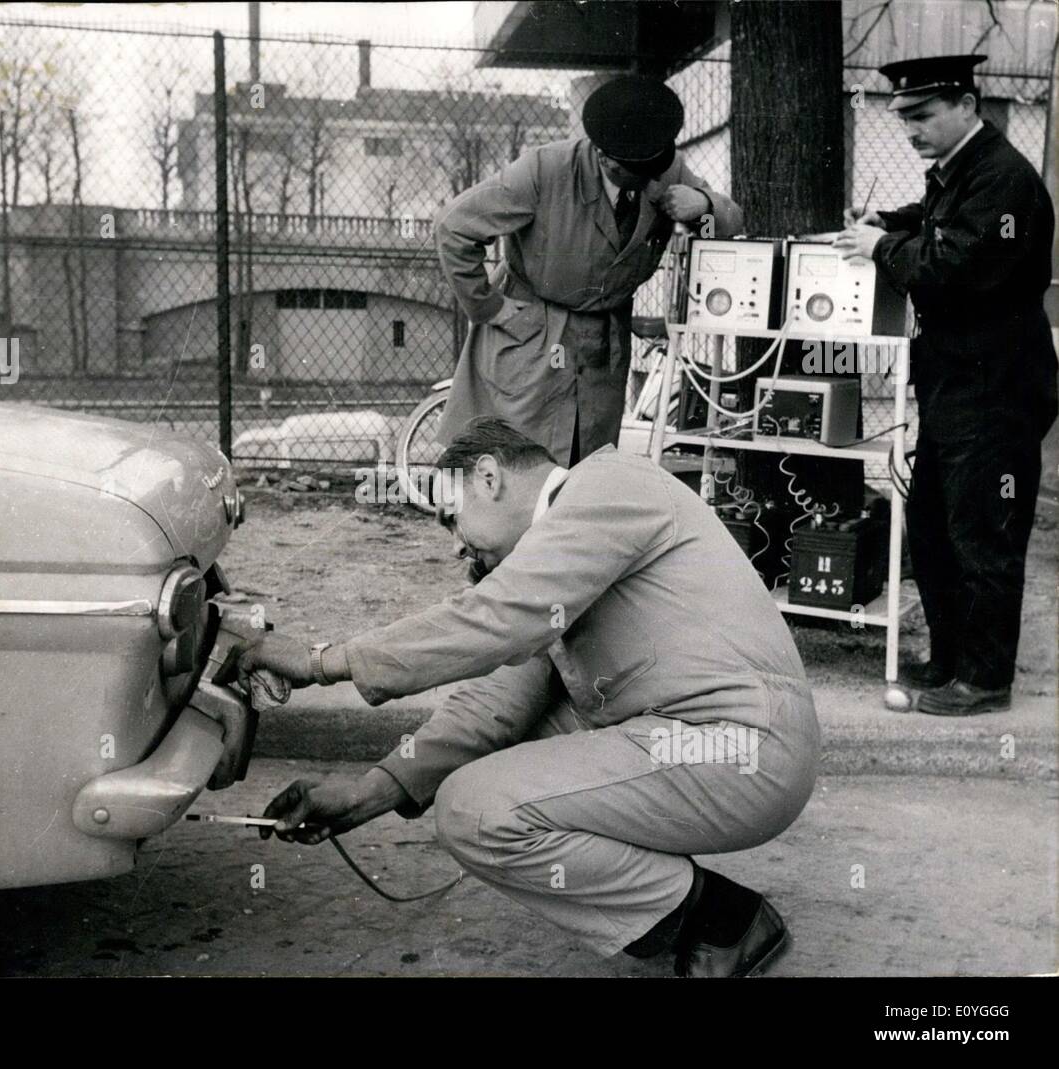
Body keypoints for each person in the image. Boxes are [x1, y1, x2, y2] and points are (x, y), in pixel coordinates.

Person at [238, 418, 820, 977]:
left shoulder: (609, 486)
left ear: (489, 478)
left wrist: (319, 662)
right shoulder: (559, 554)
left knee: (475, 806)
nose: (457, 546)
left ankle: (722, 917)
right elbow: (492, 706)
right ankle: (688, 909)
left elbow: (491, 620)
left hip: (747, 745)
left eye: (451, 518)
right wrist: (369, 793)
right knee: (489, 762)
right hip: (695, 736)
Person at [835, 55, 1057, 716]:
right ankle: (952, 658)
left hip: (995, 388)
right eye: (903, 117)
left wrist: (879, 248)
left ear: (966, 103)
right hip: (959, 382)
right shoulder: (964, 170)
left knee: (982, 530)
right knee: (930, 524)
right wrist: (884, 221)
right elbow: (930, 221)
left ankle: (986, 677)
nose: (910, 130)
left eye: (923, 115)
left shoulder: (1003, 180)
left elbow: (951, 267)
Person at [433, 75, 743, 466]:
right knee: (518, 464)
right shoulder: (545, 170)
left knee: (588, 466)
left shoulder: (663, 169)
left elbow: (731, 221)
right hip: (534, 337)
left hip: (603, 344)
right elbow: (454, 226)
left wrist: (703, 205)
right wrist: (488, 307)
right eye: (640, 173)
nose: (652, 183)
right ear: (606, 159)